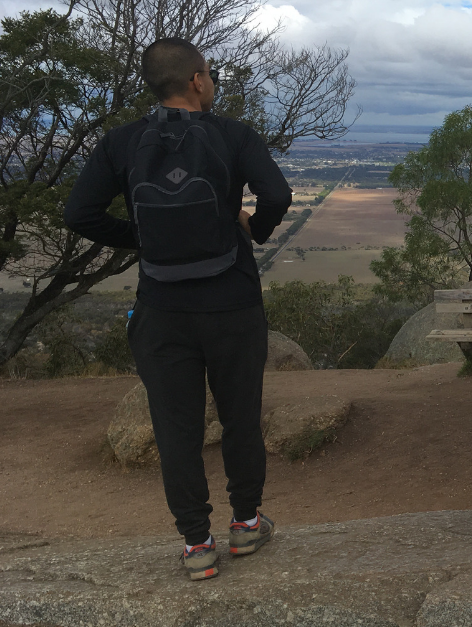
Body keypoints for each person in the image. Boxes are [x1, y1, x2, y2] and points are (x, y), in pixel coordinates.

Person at [64, 38, 292, 581]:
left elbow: (79, 214)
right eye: (209, 74)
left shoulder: (119, 142)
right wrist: (250, 231)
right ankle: (245, 524)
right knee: (240, 417)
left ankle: (196, 545)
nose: (211, 82)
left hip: (161, 308)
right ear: (196, 79)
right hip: (232, 302)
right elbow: (277, 196)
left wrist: (141, 238)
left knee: (176, 428)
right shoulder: (232, 133)